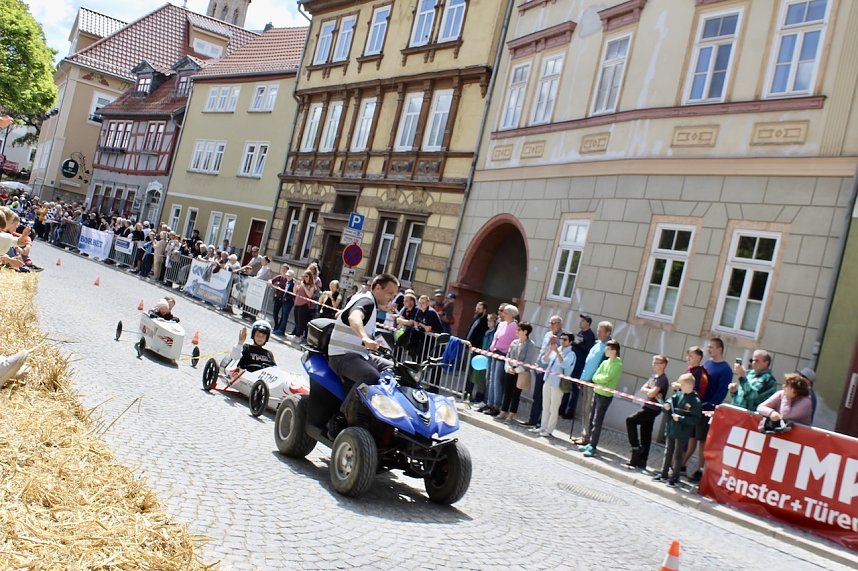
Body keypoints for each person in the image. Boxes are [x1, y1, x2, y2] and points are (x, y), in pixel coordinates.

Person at [327, 273, 400, 390]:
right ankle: (348, 408)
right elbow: (354, 317)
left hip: (359, 355)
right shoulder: (367, 302)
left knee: (397, 370)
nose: (392, 298)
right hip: (342, 355)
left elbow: (340, 314)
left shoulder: (368, 301)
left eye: (394, 295)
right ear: (377, 288)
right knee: (371, 376)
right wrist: (364, 337)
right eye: (390, 293)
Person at [687, 338, 733, 482]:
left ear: (720, 349)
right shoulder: (707, 364)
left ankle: (701, 470)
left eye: (711, 347)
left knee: (702, 440)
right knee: (691, 437)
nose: (709, 349)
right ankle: (681, 465)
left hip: (707, 410)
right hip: (697, 407)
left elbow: (720, 393)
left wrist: (708, 405)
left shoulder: (725, 369)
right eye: (708, 347)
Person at [654, 373, 702, 487]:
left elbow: (695, 419)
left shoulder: (695, 401)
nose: (680, 386)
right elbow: (670, 402)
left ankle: (675, 477)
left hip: (682, 431)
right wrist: (666, 406)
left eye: (682, 384)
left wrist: (681, 418)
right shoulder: (679, 395)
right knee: (668, 451)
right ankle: (664, 473)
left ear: (689, 386)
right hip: (672, 427)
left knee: (678, 454)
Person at [626, 354, 670, 470]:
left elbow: (650, 393)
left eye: (656, 363)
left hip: (652, 409)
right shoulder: (654, 377)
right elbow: (643, 389)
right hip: (648, 405)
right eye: (653, 362)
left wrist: (651, 391)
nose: (653, 365)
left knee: (630, 420)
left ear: (663, 365)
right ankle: (641, 460)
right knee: (646, 433)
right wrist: (651, 391)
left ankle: (636, 447)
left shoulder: (663, 379)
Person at [572, 321, 613, 446]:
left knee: (589, 410)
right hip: (585, 379)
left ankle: (586, 437)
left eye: (601, 331)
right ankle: (584, 434)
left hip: (593, 382)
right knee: (585, 409)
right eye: (598, 331)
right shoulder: (596, 343)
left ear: (608, 333)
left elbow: (605, 366)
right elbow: (589, 362)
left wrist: (593, 379)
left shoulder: (610, 346)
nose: (598, 333)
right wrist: (582, 378)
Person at [581, 339, 623, 458]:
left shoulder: (617, 364)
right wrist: (599, 379)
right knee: (591, 418)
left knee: (597, 421)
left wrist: (600, 379)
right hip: (597, 391)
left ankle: (593, 446)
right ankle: (589, 442)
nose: (606, 350)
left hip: (605, 395)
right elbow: (595, 376)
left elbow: (607, 377)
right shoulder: (605, 362)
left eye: (608, 348)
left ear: (614, 351)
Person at [523, 315, 563, 428]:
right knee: (537, 396)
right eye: (550, 323)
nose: (551, 325)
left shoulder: (562, 337)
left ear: (560, 324)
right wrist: (537, 363)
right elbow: (542, 350)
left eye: (554, 323)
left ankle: (542, 422)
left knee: (547, 399)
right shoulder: (547, 334)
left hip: (550, 371)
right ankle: (533, 420)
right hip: (540, 368)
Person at [481, 304, 519, 417]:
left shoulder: (514, 326)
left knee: (497, 380)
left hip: (503, 355)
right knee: (491, 379)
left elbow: (515, 343)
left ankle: (496, 405)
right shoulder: (501, 324)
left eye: (506, 312)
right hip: (494, 352)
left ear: (511, 314)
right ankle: (490, 403)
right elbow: (495, 338)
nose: (503, 314)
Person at [538, 332, 575, 438]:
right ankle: (542, 426)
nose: (562, 341)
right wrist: (550, 350)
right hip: (548, 379)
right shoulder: (557, 349)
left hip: (558, 383)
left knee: (554, 407)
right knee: (545, 405)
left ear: (570, 342)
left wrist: (557, 353)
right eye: (561, 339)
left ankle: (549, 430)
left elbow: (564, 364)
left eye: (565, 339)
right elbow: (544, 360)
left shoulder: (571, 354)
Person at [499, 322, 537, 422]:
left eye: (519, 330)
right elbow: (508, 356)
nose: (517, 331)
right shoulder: (514, 342)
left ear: (525, 332)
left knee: (516, 393)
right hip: (510, 370)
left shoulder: (530, 345)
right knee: (507, 391)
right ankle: (503, 411)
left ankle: (512, 414)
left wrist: (517, 370)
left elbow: (528, 361)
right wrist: (508, 367)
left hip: (521, 372)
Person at [561, 314, 596, 419]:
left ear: (588, 323)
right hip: (573, 363)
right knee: (567, 385)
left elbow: (588, 350)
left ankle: (570, 411)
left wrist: (577, 344)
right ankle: (562, 408)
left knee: (575, 389)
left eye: (583, 321)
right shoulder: (580, 333)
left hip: (580, 365)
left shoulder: (590, 335)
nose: (580, 322)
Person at [462, 301, 489, 400]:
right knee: (467, 372)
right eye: (477, 307)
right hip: (468, 348)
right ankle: (465, 390)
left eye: (479, 308)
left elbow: (480, 336)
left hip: (475, 350)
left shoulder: (484, 322)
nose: (477, 310)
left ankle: (469, 392)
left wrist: (475, 347)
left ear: (484, 310)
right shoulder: (476, 318)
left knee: (472, 373)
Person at [291, 269, 318, 340]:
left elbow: (309, 295)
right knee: (296, 320)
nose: (305, 278)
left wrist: (304, 287)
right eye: (304, 276)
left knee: (301, 321)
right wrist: (295, 285)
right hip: (297, 303)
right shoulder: (301, 283)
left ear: (310, 277)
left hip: (304, 305)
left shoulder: (311, 286)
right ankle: (296, 334)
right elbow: (295, 292)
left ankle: (299, 335)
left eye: (306, 276)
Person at [269, 266, 294, 335]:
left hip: (286, 300)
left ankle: (280, 329)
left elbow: (293, 293)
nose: (283, 271)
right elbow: (271, 280)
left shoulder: (291, 282)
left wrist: (286, 298)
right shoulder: (281, 277)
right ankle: (277, 326)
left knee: (284, 315)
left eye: (285, 270)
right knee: (275, 313)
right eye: (282, 269)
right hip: (279, 297)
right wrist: (271, 283)